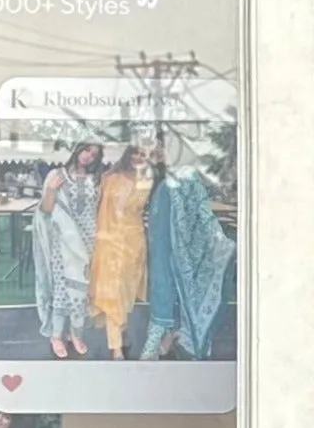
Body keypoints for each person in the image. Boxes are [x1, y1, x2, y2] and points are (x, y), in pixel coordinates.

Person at [142, 136, 237, 361]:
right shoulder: (164, 177)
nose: (155, 150)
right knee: (162, 288)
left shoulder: (185, 176)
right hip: (164, 249)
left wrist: (216, 243)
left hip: (177, 251)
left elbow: (199, 214)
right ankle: (165, 340)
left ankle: (160, 343)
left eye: (160, 146)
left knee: (167, 290)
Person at [31, 142, 102, 359]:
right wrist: (51, 190)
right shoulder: (56, 174)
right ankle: (56, 336)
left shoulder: (94, 180)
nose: (88, 156)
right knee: (61, 292)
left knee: (80, 292)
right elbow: (45, 210)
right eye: (86, 150)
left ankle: (75, 334)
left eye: (94, 154)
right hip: (62, 243)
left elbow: (95, 211)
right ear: (78, 149)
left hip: (87, 244)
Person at [88, 147, 153, 361]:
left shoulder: (145, 180)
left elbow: (136, 207)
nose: (138, 158)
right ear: (127, 154)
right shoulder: (109, 177)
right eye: (135, 153)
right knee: (111, 291)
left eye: (143, 155)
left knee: (124, 291)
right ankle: (115, 347)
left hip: (132, 241)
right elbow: (97, 206)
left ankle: (121, 333)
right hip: (108, 241)